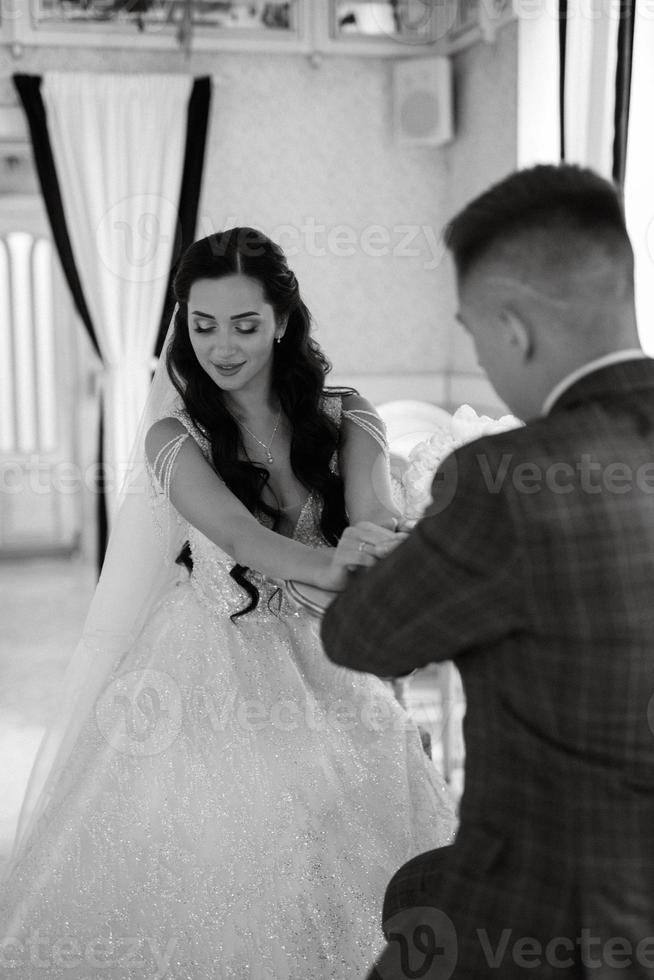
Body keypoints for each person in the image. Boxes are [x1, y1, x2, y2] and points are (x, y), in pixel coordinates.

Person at [0, 228, 456, 979]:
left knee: (352, 817)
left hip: (325, 657)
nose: (222, 345)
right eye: (203, 324)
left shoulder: (348, 415)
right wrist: (346, 565)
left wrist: (378, 543)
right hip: (209, 657)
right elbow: (247, 541)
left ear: (281, 320)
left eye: (244, 324)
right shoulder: (172, 438)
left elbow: (371, 510)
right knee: (243, 830)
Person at [321, 164, 654, 979]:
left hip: (556, 915)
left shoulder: (509, 482)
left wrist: (402, 555)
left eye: (473, 336)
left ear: (515, 329)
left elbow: (361, 638)